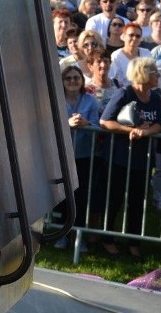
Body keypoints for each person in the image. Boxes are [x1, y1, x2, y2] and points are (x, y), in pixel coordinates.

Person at [99, 57, 161, 260]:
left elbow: (159, 124)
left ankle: (134, 243)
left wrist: (145, 133)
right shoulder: (124, 93)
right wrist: (131, 130)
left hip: (143, 160)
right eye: (155, 72)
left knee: (137, 203)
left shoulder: (154, 97)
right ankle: (107, 239)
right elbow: (105, 121)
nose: (158, 75)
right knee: (115, 199)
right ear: (144, 73)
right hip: (119, 157)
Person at [60, 65, 103, 247]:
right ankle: (60, 234)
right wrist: (67, 123)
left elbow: (97, 125)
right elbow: (49, 123)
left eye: (76, 78)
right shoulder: (56, 99)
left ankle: (78, 237)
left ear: (82, 81)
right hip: (62, 155)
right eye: (68, 78)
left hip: (84, 155)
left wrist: (87, 123)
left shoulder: (91, 101)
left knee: (81, 196)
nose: (72, 81)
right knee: (62, 195)